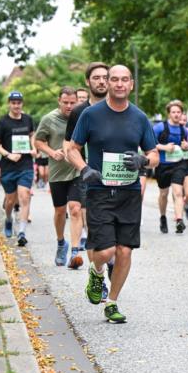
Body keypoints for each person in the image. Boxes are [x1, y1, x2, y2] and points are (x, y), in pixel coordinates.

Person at [67, 65, 158, 324]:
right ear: (107, 83)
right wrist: (84, 169)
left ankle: (112, 302)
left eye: (124, 80)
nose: (119, 84)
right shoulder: (90, 115)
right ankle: (97, 273)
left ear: (131, 84)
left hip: (129, 193)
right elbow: (73, 148)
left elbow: (154, 155)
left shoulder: (139, 117)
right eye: (114, 79)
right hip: (99, 191)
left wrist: (143, 160)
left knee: (125, 251)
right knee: (106, 251)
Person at [35, 86, 85, 269]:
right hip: (57, 172)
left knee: (75, 209)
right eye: (65, 102)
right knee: (60, 211)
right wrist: (51, 152)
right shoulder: (49, 119)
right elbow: (38, 141)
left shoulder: (82, 117)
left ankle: (75, 251)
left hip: (77, 170)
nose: (69, 106)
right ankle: (61, 242)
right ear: (59, 101)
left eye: (73, 102)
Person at [65, 62, 110, 255]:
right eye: (96, 78)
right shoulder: (79, 112)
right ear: (87, 81)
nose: (101, 82)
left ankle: (108, 260)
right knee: (88, 218)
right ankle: (84, 256)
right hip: (88, 174)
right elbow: (68, 144)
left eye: (105, 78)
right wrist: (81, 166)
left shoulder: (121, 108)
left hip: (116, 176)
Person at [0, 90, 36, 246]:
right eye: (13, 103)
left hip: (26, 164)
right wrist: (8, 154)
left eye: (19, 103)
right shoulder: (3, 122)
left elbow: (32, 135)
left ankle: (22, 232)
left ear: (22, 104)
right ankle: (9, 219)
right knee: (10, 200)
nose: (16, 106)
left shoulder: (28, 119)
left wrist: (34, 147)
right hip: (9, 167)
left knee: (24, 196)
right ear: (9, 104)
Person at [153, 100, 188, 235]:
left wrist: (186, 147)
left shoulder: (183, 130)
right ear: (169, 113)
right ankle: (163, 217)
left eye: (178, 112)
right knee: (163, 194)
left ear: (181, 113)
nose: (176, 114)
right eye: (173, 112)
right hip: (163, 165)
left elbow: (185, 146)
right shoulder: (159, 128)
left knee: (178, 192)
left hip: (178, 164)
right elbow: (150, 144)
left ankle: (179, 220)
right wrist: (164, 147)